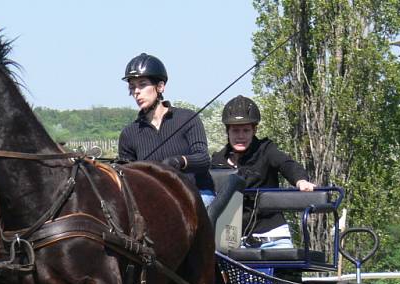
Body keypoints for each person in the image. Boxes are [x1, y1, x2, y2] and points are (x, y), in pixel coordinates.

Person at [211, 95, 316, 249]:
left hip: (273, 236)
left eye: (246, 130)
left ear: (254, 130)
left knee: (283, 270)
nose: (240, 136)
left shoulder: (266, 150)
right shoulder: (217, 161)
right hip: (232, 241)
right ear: (228, 131)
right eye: (236, 130)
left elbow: (286, 164)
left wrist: (301, 180)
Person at [118, 53, 215, 206]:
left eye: (142, 85)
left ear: (160, 86)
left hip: (196, 193)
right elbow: (125, 177)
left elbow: (203, 159)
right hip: (155, 199)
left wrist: (179, 161)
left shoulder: (187, 118)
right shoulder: (129, 134)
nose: (136, 92)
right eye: (132, 87)